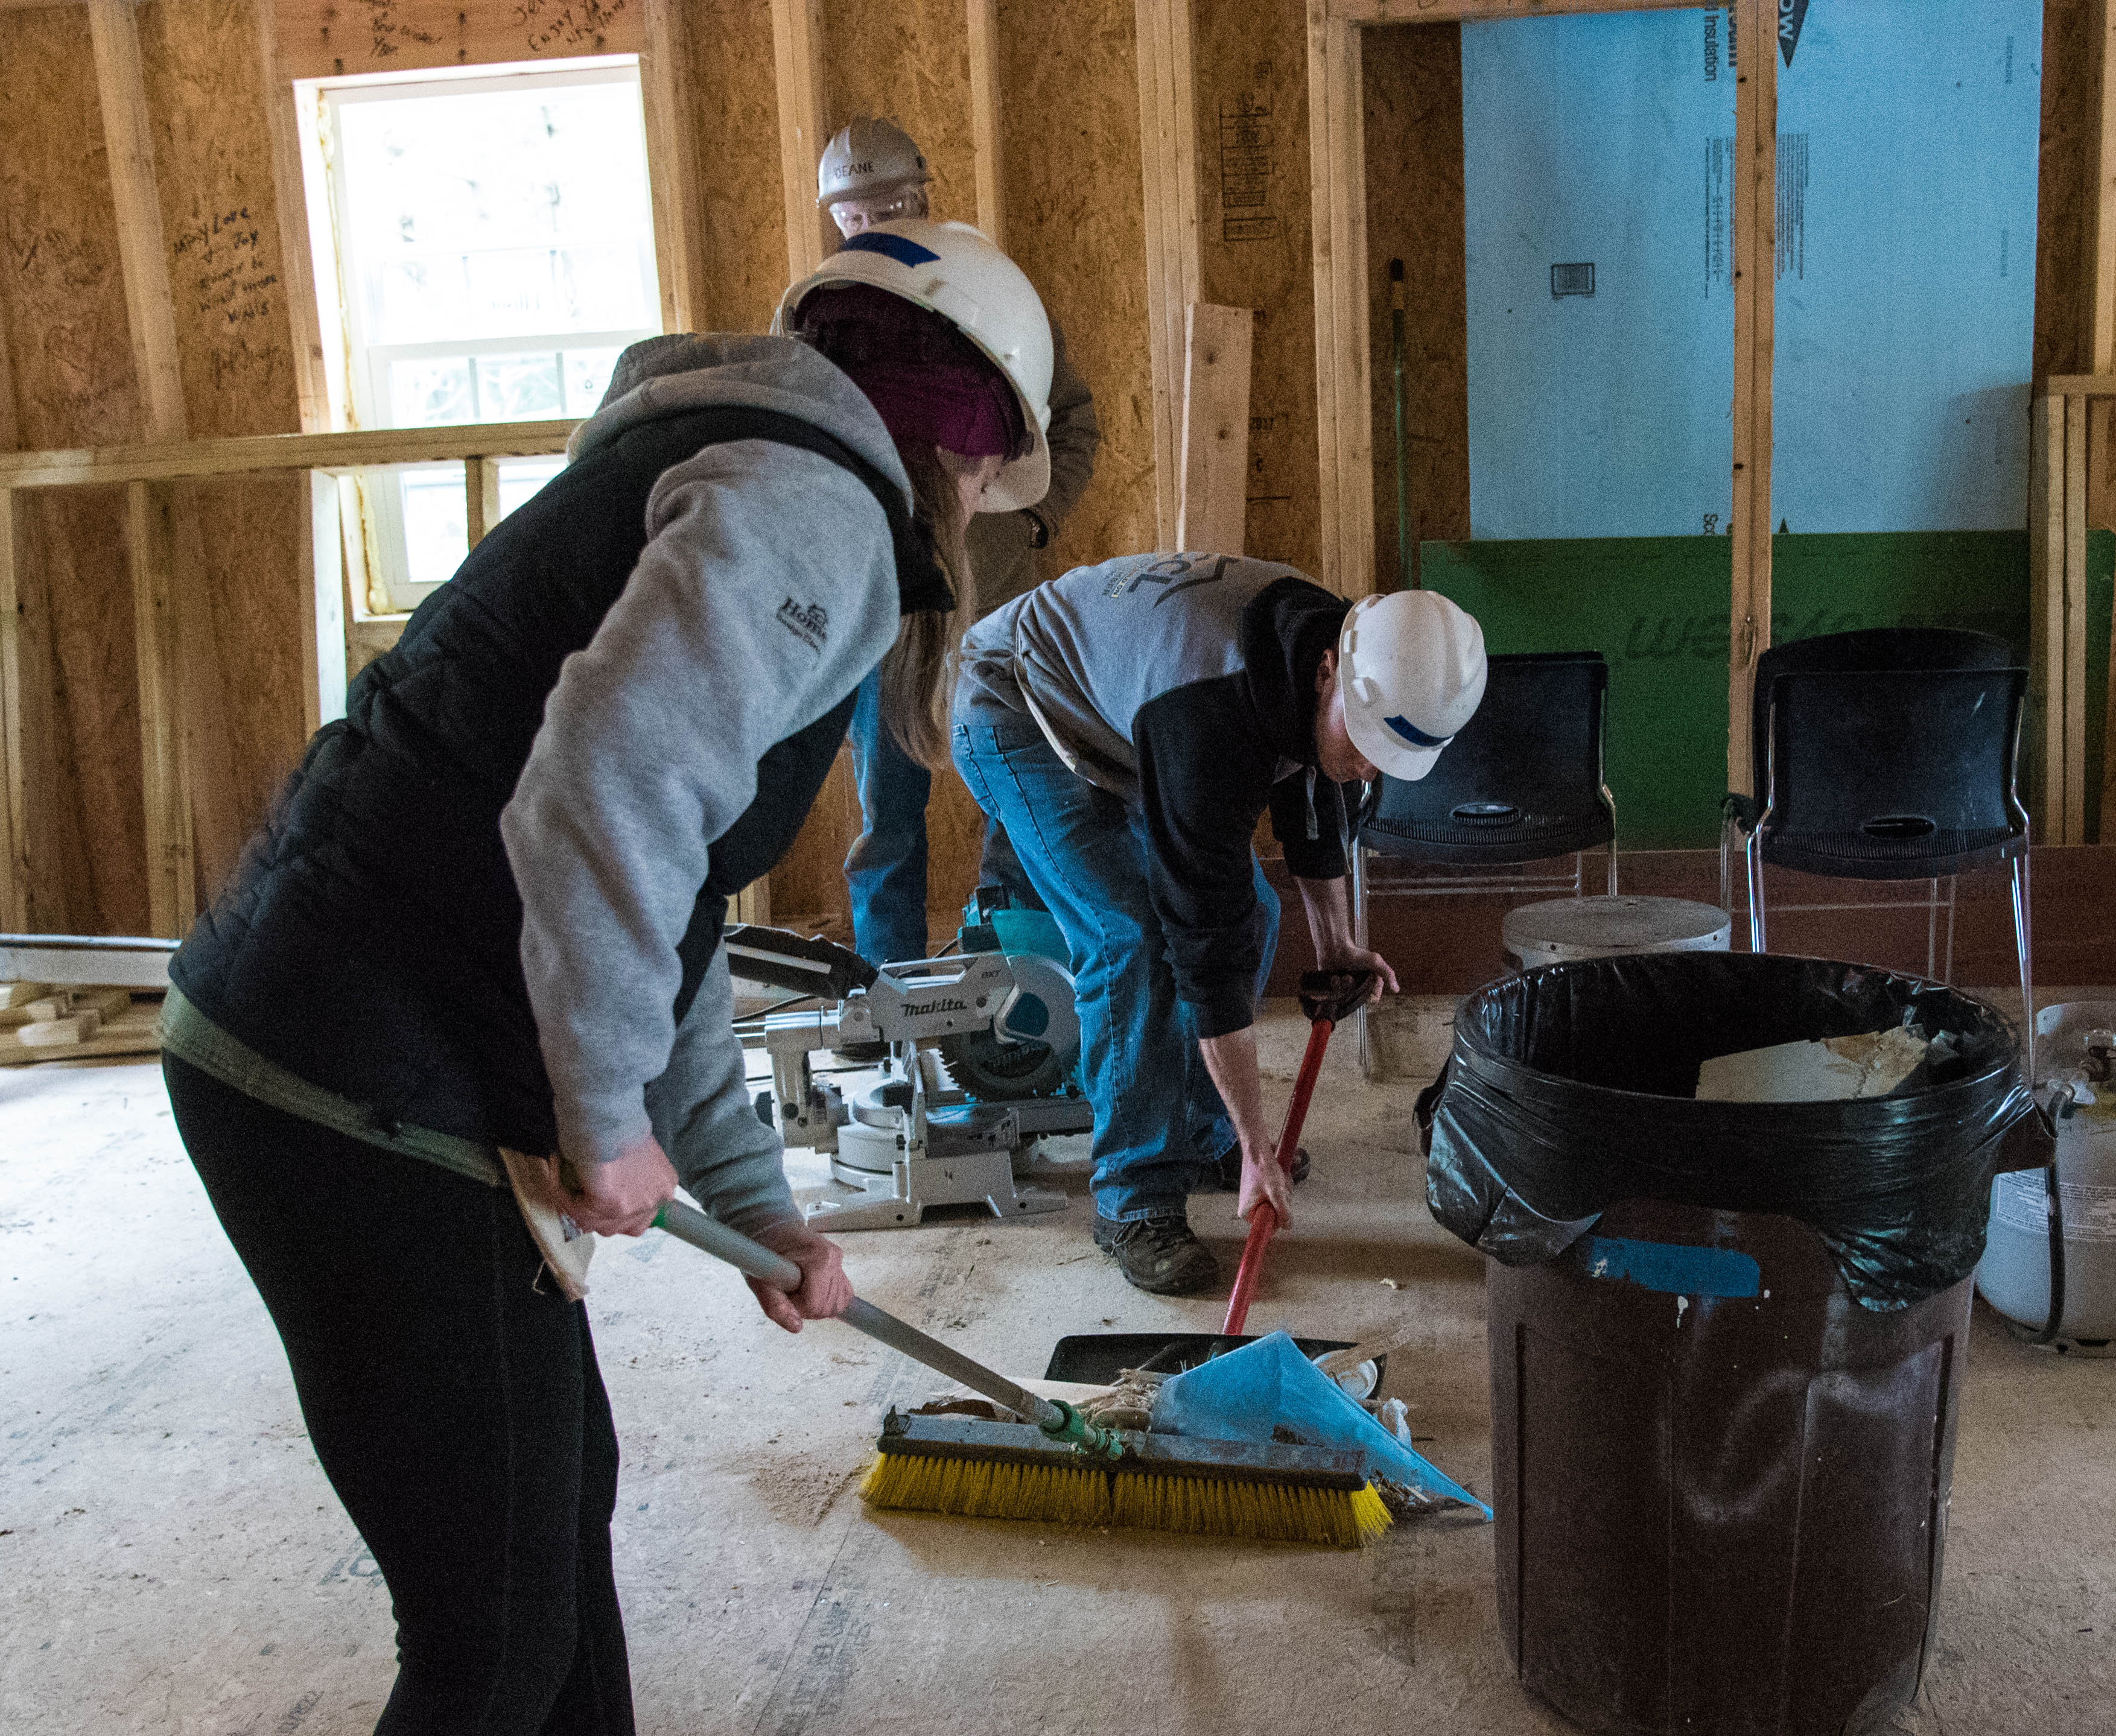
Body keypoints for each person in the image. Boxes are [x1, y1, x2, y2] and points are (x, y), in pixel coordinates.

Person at [158, 218, 1053, 1733]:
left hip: (339, 1042)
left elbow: (669, 889)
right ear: (959, 450)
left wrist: (749, 1193)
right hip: (356, 1081)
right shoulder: (818, 513)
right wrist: (599, 1108)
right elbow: (602, 793)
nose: (970, 516)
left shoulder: (727, 463)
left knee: (554, 1533)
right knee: (494, 1637)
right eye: (980, 483)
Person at [952, 554, 1485, 1294]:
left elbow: (1314, 796)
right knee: (1129, 936)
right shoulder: (1209, 714)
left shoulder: (1348, 654)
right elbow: (1202, 944)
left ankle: (1204, 1136)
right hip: (1016, 704)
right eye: (1366, 742)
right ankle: (1133, 1197)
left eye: (1390, 758)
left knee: (1256, 908)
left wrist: (1337, 945)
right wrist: (1257, 1139)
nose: (1371, 768)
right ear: (1329, 671)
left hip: (1118, 700)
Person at [818, 116, 1102, 969]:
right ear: (834, 218)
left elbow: (1072, 420)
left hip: (997, 595)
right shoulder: (828, 318)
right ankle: (887, 988)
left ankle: (1015, 972)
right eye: (853, 216)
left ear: (921, 198)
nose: (871, 227)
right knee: (887, 813)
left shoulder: (987, 296)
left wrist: (1031, 521)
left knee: (1016, 792)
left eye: (889, 207)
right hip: (888, 606)